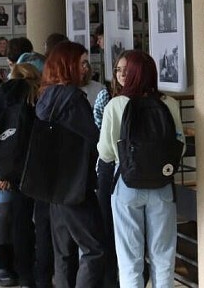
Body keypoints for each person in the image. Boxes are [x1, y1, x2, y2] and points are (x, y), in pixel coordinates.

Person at [98, 50, 183, 288]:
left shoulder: (116, 105)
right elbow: (181, 147)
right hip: (162, 186)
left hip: (126, 185)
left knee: (129, 258)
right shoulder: (169, 104)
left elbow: (105, 152)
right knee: (163, 255)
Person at [33, 41, 105, 287]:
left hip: (54, 184)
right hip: (75, 185)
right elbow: (92, 138)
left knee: (63, 251)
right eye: (82, 62)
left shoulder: (47, 95)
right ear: (68, 65)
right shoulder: (73, 98)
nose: (87, 68)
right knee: (94, 249)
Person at [0, 58, 44, 287]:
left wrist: (1, 171)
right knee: (37, 220)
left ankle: (15, 271)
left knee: (13, 219)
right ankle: (37, 271)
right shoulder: (33, 95)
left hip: (7, 169)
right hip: (35, 168)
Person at [92, 51, 132, 288]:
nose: (122, 74)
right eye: (118, 70)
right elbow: (103, 142)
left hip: (135, 171)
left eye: (127, 69)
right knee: (108, 230)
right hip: (109, 169)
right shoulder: (106, 97)